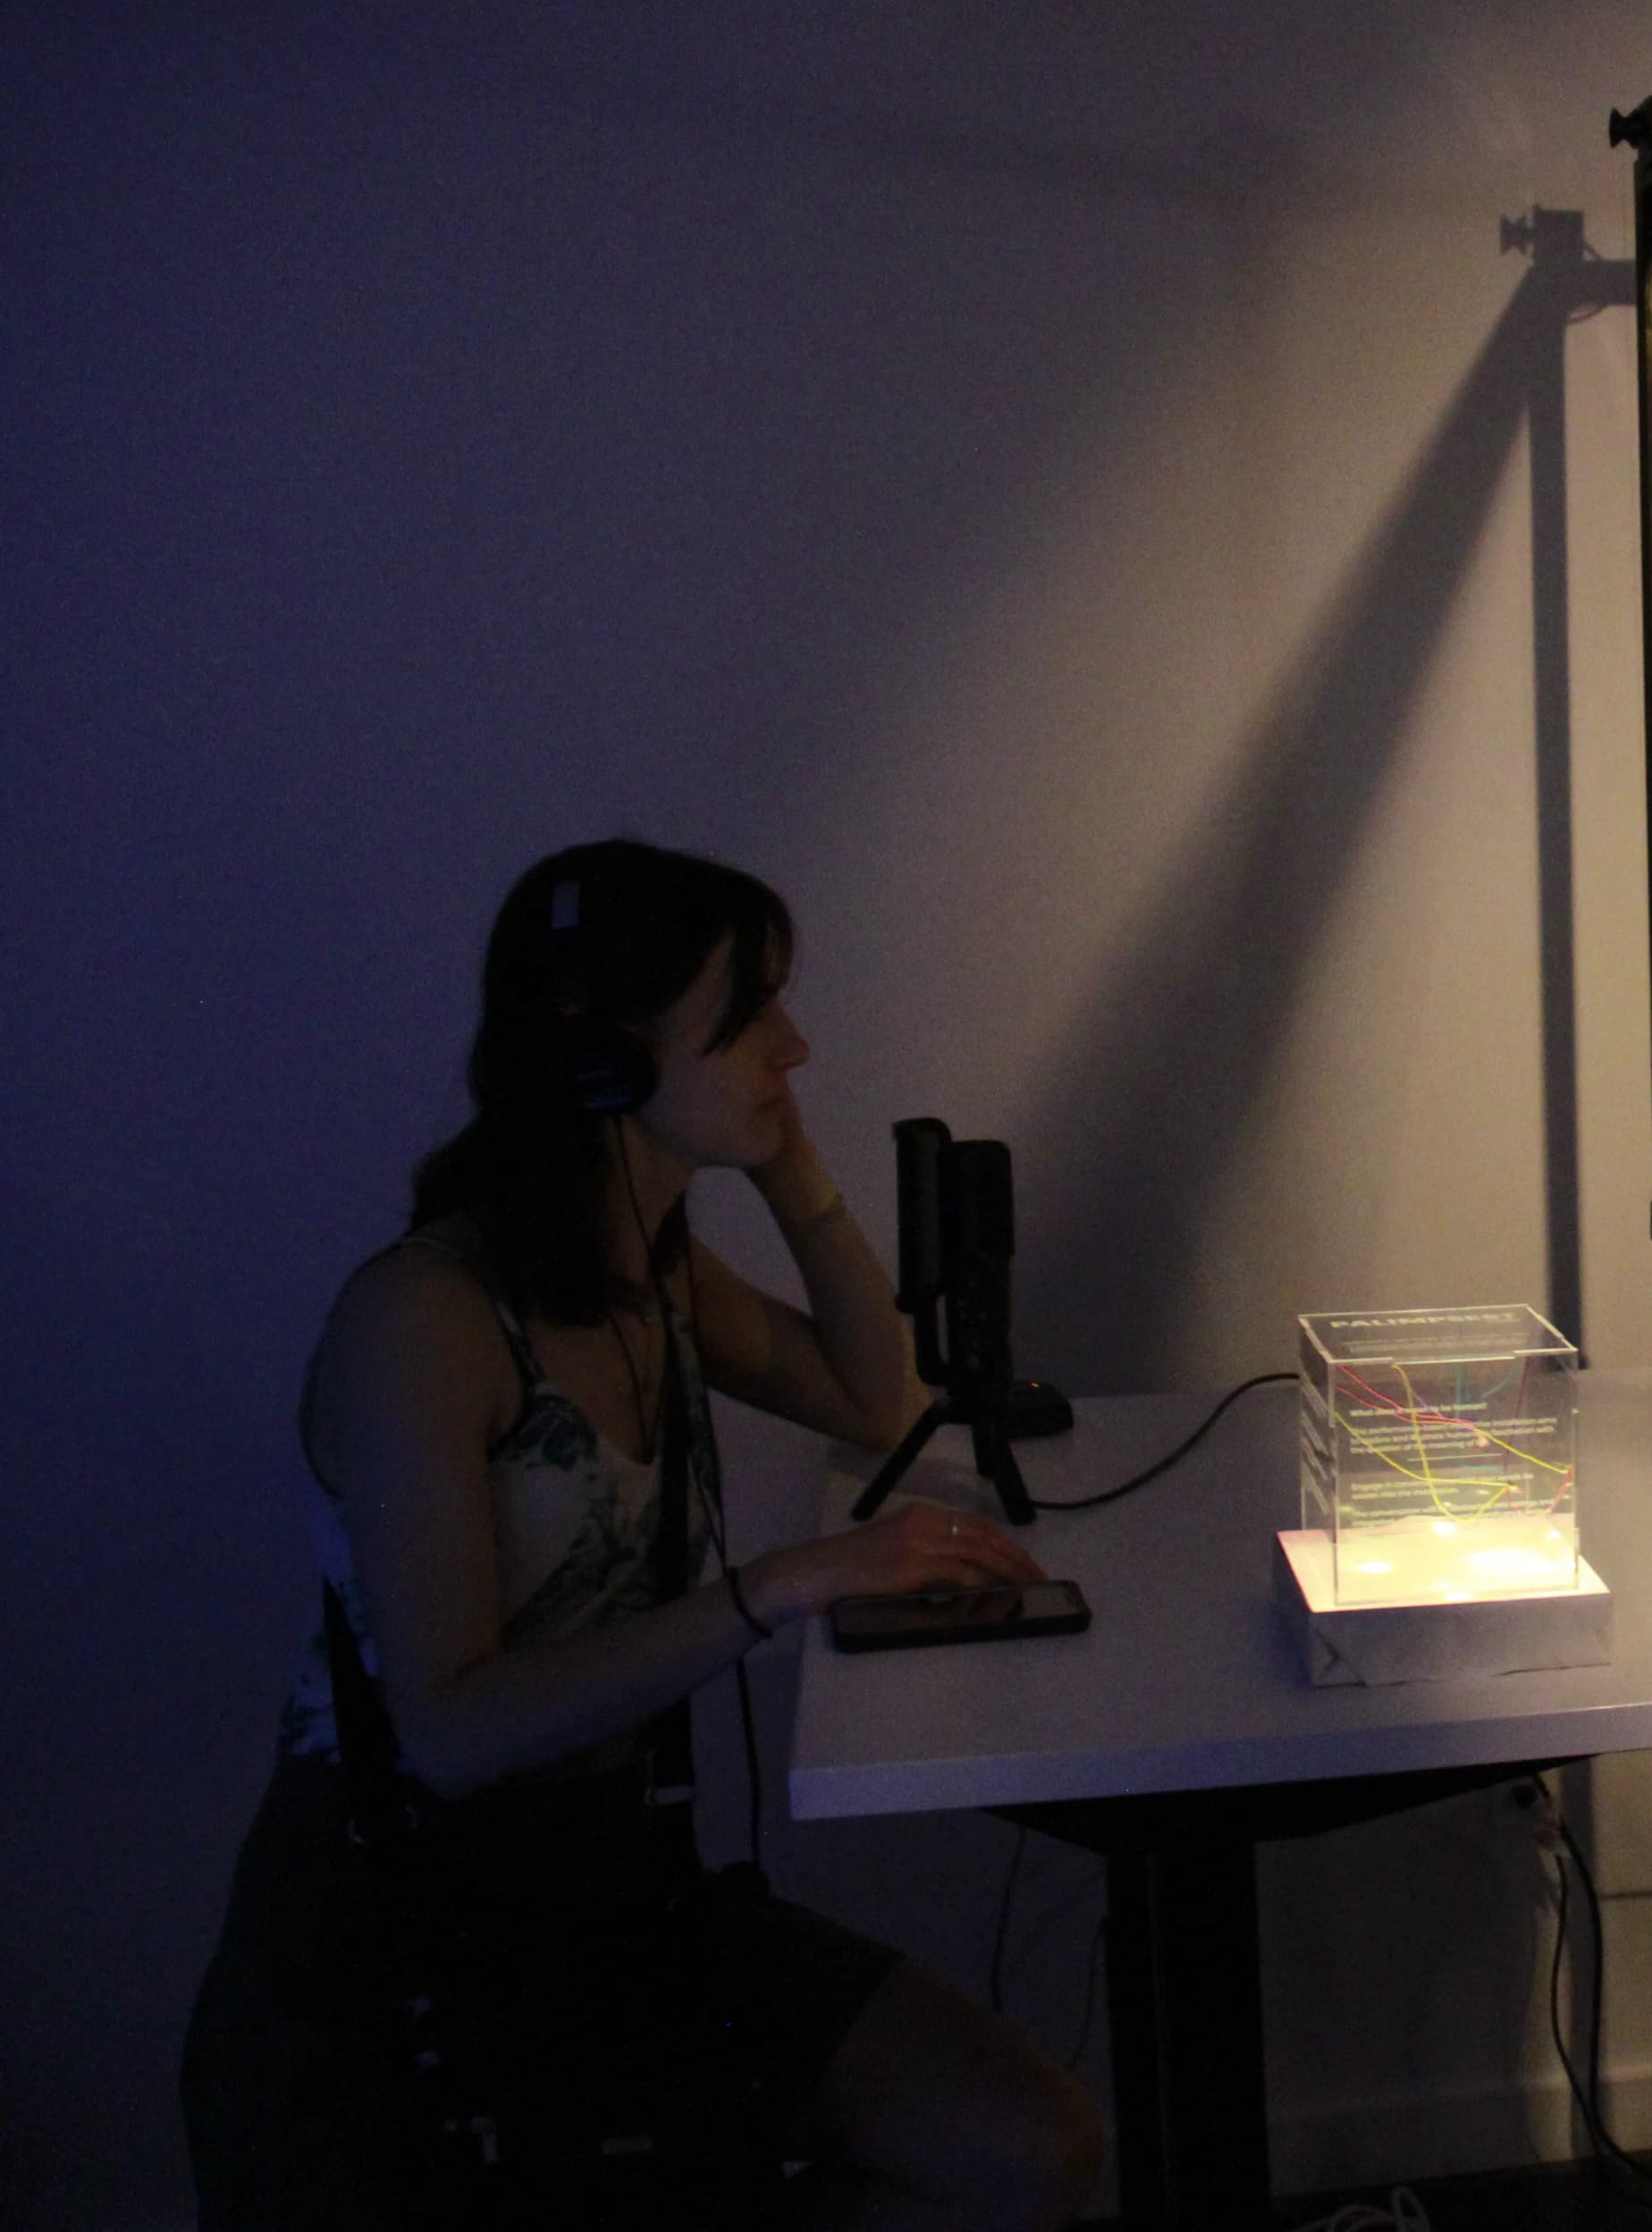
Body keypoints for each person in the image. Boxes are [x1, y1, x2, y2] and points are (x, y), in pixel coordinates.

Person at [182, 838, 1105, 2228]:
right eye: (749, 1016)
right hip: (389, 1967)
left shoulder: (651, 1275)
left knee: (1036, 2147)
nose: (794, 1046)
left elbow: (882, 1402)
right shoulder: (425, 1320)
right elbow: (450, 1730)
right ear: (602, 1056)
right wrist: (777, 1588)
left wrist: (789, 1162)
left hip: (606, 1897)